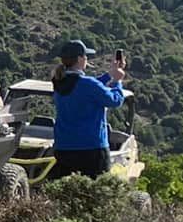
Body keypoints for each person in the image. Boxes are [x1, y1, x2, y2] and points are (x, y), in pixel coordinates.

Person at [49, 39, 128, 179]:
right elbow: (115, 100)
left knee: (68, 189)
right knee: (95, 189)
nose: (86, 59)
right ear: (80, 59)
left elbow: (87, 86)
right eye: (85, 56)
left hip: (64, 147)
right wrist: (117, 81)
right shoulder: (88, 84)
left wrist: (110, 74)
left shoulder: (59, 82)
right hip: (91, 148)